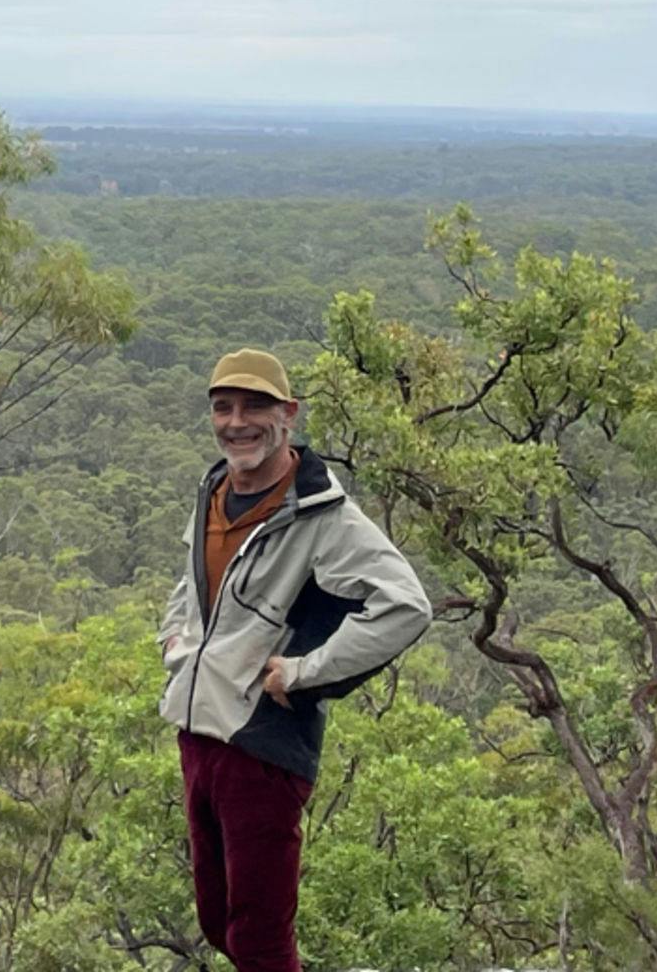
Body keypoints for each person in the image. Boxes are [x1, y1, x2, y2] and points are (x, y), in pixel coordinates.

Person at [157, 347, 430, 972]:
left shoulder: (323, 516)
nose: (237, 421)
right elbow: (192, 584)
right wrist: (174, 641)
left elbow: (406, 606)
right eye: (223, 407)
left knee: (260, 937)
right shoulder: (215, 492)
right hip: (198, 734)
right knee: (219, 919)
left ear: (289, 415)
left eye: (255, 406)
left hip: (264, 744)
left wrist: (305, 671)